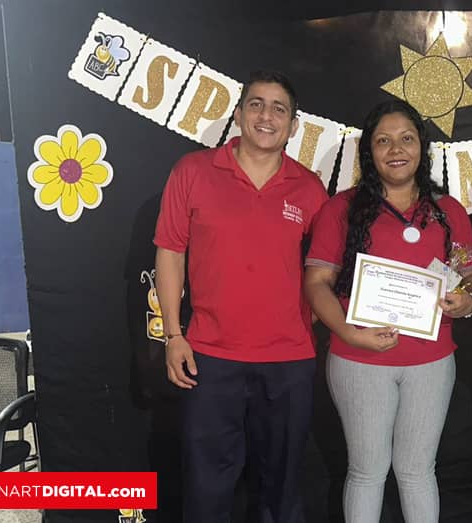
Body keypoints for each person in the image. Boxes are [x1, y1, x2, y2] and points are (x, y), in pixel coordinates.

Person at [153, 71, 328, 522]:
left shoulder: (310, 189)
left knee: (283, 488)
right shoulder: (192, 171)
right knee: (207, 487)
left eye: (278, 108)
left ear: (293, 126)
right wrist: (174, 334)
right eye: (256, 104)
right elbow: (170, 253)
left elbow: (324, 272)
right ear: (237, 114)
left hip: (289, 361)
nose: (265, 115)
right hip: (209, 358)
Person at [303, 99, 472, 523]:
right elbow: (315, 283)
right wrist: (349, 332)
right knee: (367, 471)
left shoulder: (449, 211)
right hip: (359, 358)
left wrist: (467, 301)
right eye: (383, 140)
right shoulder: (340, 209)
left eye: (406, 138)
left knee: (417, 471)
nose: (395, 148)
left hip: (431, 361)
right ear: (369, 151)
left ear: (422, 145)